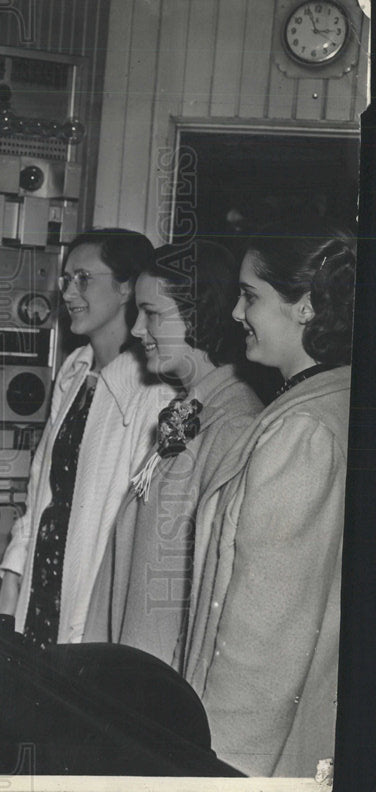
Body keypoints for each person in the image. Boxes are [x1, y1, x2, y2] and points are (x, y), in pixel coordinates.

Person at [182, 219, 354, 776]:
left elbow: (265, 640)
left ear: (306, 306)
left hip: (255, 757)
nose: (236, 314)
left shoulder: (302, 431)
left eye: (250, 296)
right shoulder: (325, 405)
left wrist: (221, 769)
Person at [81, 240, 262, 668]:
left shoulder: (234, 424)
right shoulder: (192, 409)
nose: (138, 330)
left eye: (153, 314)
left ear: (199, 315)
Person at [0, 229, 173, 647]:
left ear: (127, 287)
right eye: (66, 280)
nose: (70, 293)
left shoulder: (154, 394)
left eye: (84, 279)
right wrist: (11, 582)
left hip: (91, 609)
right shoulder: (76, 372)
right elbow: (41, 487)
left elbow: (136, 535)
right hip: (41, 589)